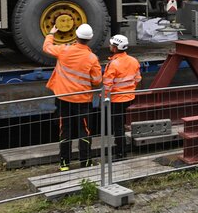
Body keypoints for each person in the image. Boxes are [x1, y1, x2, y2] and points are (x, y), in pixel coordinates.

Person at [43, 23, 102, 171]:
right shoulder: (92, 58)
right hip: (83, 100)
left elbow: (47, 47)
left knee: (65, 130)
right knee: (85, 131)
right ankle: (86, 162)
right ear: (89, 39)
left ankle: (64, 164)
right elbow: (97, 81)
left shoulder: (64, 50)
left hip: (64, 99)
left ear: (76, 36)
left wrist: (51, 34)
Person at [102, 35, 141, 160]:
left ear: (115, 48)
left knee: (117, 127)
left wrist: (104, 98)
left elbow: (107, 84)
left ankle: (120, 153)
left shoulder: (113, 64)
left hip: (117, 99)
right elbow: (138, 79)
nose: (109, 46)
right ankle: (121, 151)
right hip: (129, 97)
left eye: (111, 45)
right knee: (122, 125)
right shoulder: (134, 60)